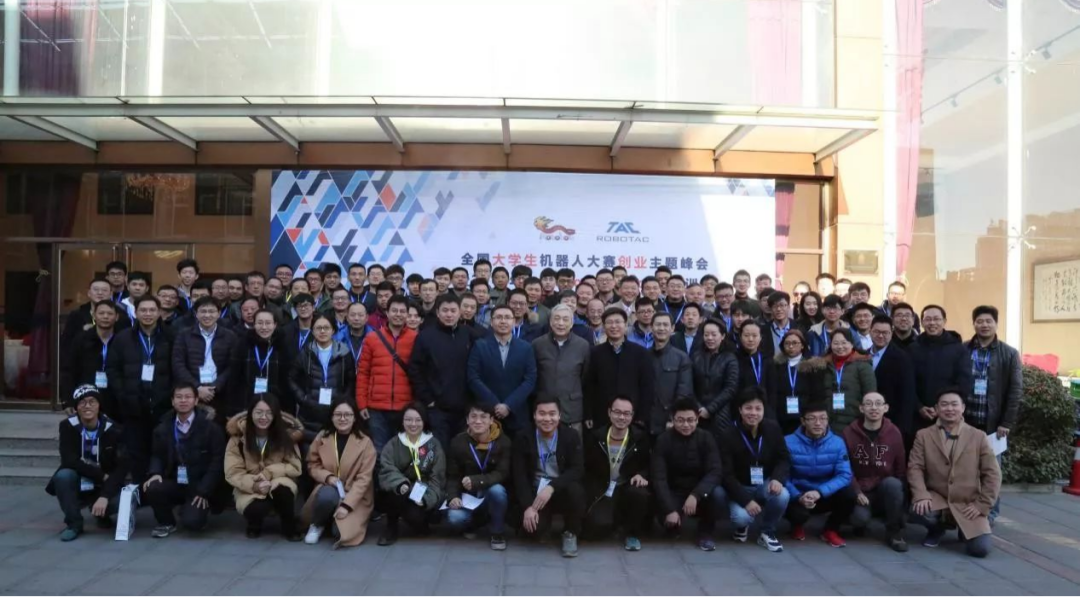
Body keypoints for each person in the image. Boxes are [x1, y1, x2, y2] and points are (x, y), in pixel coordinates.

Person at [908, 389, 1001, 557]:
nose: (949, 409)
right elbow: (915, 467)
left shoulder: (978, 436)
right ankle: (937, 529)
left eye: (954, 404)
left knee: (980, 550)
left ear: (963, 408)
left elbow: (993, 474)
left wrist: (982, 504)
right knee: (918, 509)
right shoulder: (924, 435)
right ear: (937, 408)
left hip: (968, 503)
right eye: (944, 405)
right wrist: (921, 494)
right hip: (938, 498)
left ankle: (966, 529)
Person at [142, 383, 226, 538]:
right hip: (176, 481)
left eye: (188, 397)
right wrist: (155, 472)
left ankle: (195, 511)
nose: (183, 401)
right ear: (172, 401)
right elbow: (157, 455)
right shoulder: (163, 427)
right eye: (179, 397)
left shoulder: (211, 428)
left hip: (199, 484)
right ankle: (166, 522)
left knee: (193, 522)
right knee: (153, 487)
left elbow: (217, 462)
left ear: (196, 400)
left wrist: (204, 491)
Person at [106, 295, 174, 484]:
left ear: (159, 313)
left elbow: (177, 367)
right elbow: (112, 369)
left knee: (162, 451)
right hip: (133, 405)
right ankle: (139, 491)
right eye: (143, 310)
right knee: (136, 453)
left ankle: (158, 490)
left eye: (152, 310)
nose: (148, 314)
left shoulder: (171, 336)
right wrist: (123, 394)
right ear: (135, 313)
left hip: (163, 406)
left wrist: (171, 395)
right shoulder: (123, 338)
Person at [47, 386, 127, 541]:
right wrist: (100, 475)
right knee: (63, 476)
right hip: (84, 478)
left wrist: (105, 496)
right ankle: (74, 524)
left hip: (106, 482)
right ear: (76, 407)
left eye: (92, 401)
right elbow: (69, 460)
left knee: (120, 500)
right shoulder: (67, 426)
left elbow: (121, 468)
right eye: (82, 402)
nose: (87, 406)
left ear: (99, 405)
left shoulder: (114, 429)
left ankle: (102, 514)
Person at [967, 305, 1021, 523]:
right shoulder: (964, 349)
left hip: (993, 424)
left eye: (988, 321)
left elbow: (1015, 390)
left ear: (996, 324)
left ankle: (990, 513)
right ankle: (966, 509)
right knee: (965, 469)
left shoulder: (1009, 353)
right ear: (974, 324)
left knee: (992, 470)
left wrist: (1006, 422)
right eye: (980, 321)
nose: (984, 325)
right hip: (966, 421)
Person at [512, 396, 587, 558]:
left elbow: (577, 469)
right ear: (534, 415)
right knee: (533, 531)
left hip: (560, 489)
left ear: (559, 416)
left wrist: (552, 486)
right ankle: (543, 525)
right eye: (542, 414)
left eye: (552, 414)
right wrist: (528, 507)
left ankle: (570, 532)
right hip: (536, 492)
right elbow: (520, 476)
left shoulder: (570, 435)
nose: (547, 419)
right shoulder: (523, 437)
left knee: (576, 490)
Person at [720, 387, 791, 552]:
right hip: (739, 486)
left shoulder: (773, 428)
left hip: (763, 483)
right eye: (748, 408)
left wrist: (777, 478)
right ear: (740, 410)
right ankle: (741, 527)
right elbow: (726, 474)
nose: (753, 413)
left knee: (782, 495)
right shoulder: (727, 434)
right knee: (741, 518)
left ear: (764, 410)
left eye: (758, 408)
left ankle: (767, 531)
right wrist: (746, 501)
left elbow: (784, 458)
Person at [224, 394, 303, 540]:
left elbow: (295, 467)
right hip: (249, 484)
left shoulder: (285, 436)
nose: (263, 417)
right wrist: (255, 485)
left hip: (278, 480)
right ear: (250, 413)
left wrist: (269, 473)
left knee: (283, 492)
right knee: (256, 508)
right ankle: (254, 524)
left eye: (269, 413)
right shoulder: (238, 439)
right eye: (259, 412)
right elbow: (232, 472)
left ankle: (289, 525)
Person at [651, 397, 725, 551]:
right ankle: (672, 526)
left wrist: (696, 494)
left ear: (697, 418)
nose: (686, 425)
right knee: (660, 501)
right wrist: (669, 509)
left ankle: (705, 532)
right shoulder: (663, 440)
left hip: (698, 491)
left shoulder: (706, 438)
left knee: (718, 494)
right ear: (672, 419)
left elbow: (715, 471)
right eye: (680, 420)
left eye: (690, 420)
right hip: (674, 490)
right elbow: (659, 477)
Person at [302, 400, 377, 548]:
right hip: (329, 486)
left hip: (355, 495)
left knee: (339, 533)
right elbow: (312, 464)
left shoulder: (365, 442)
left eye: (347, 415)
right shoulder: (322, 436)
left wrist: (346, 506)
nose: (343, 419)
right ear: (332, 417)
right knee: (327, 497)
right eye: (338, 415)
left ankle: (335, 518)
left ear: (354, 418)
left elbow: (364, 480)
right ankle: (317, 524)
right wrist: (327, 477)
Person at [583, 396, 651, 551]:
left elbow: (649, 464)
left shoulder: (639, 438)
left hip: (627, 485)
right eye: (617, 412)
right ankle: (615, 522)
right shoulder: (597, 437)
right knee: (595, 530)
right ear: (609, 412)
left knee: (639, 494)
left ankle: (632, 534)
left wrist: (642, 474)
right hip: (603, 487)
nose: (622, 417)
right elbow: (587, 468)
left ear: (632, 416)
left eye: (626, 413)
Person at [843, 392, 908, 551]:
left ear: (886, 408)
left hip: (884, 487)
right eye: (869, 403)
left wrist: (901, 503)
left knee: (894, 484)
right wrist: (856, 491)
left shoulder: (894, 433)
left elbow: (900, 468)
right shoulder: (848, 433)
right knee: (858, 519)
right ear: (861, 408)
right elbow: (844, 468)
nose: (874, 408)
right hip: (861, 491)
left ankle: (894, 532)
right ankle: (861, 524)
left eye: (878, 403)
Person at [784, 403, 855, 547]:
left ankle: (830, 530)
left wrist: (820, 492)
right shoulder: (787, 442)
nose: (818, 423)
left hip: (824, 494)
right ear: (803, 421)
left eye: (823, 418)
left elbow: (844, 475)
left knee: (848, 494)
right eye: (812, 418)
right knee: (784, 498)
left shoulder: (837, 443)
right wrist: (798, 495)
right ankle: (796, 525)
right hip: (798, 494)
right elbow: (782, 474)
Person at [408, 294, 474, 450]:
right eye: (445, 310)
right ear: (437, 312)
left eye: (453, 310)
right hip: (437, 408)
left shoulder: (469, 334)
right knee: (439, 450)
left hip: (464, 408)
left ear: (460, 312)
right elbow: (415, 369)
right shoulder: (425, 336)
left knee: (462, 451)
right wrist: (428, 399)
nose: (449, 315)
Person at [376, 402, 446, 546]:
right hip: (400, 490)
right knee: (391, 494)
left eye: (418, 420)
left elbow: (437, 477)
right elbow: (386, 468)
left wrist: (427, 499)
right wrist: (400, 483)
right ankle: (391, 528)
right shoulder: (394, 443)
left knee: (417, 516)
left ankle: (421, 524)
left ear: (424, 421)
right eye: (408, 419)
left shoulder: (433, 444)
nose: (413, 424)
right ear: (402, 421)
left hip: (423, 492)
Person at [444, 403, 512, 550]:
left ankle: (497, 532)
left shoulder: (503, 441)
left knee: (497, 490)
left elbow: (502, 473)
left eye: (483, 417)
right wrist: (453, 496)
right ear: (467, 420)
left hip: (490, 492)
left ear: (491, 420)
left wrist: (477, 481)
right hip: (468, 496)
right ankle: (475, 524)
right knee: (454, 518)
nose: (478, 421)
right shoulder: (458, 442)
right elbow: (452, 475)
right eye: (473, 417)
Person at [356, 294, 418, 453]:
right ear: (387, 313)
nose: (398, 314)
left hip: (405, 406)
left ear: (407, 314)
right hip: (376, 407)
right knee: (379, 450)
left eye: (402, 311)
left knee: (403, 451)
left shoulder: (416, 339)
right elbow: (363, 373)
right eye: (394, 310)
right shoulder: (372, 338)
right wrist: (362, 403)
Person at [467, 305, 538, 433]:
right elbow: (473, 377)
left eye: (507, 318)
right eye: (499, 317)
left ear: (514, 322)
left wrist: (509, 405)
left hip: (517, 414)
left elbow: (530, 380)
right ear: (491, 322)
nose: (503, 321)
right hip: (488, 413)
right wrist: (494, 404)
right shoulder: (480, 346)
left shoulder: (526, 348)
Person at [584, 308, 656, 429]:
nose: (614, 326)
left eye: (618, 322)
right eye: (609, 322)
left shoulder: (640, 353)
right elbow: (589, 386)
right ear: (604, 326)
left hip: (632, 417)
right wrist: (588, 414)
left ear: (626, 325)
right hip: (602, 415)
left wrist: (642, 417)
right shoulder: (595, 353)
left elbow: (647, 387)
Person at [288, 314, 356, 438]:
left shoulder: (344, 353)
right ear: (312, 331)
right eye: (318, 328)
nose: (322, 331)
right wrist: (303, 399)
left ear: (333, 330)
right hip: (310, 412)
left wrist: (343, 400)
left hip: (336, 410)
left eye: (326, 327)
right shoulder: (306, 352)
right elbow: (292, 378)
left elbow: (351, 380)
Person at [909, 305, 973, 433]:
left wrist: (942, 407)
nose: (932, 323)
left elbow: (964, 382)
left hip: (949, 415)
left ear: (944, 321)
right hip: (918, 415)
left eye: (936, 319)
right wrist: (919, 406)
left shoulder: (958, 349)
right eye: (928, 319)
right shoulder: (912, 348)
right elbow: (907, 382)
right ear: (922, 322)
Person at [171, 296, 239, 418]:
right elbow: (178, 363)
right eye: (203, 311)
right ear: (196, 314)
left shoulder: (230, 336)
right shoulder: (184, 335)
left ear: (219, 314)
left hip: (221, 393)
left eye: (211, 311)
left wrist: (216, 386)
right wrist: (196, 387)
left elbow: (232, 366)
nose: (207, 315)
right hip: (191, 392)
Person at [532, 304, 591, 434]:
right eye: (557, 318)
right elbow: (534, 376)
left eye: (565, 319)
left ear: (572, 323)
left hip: (572, 409)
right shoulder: (538, 344)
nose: (560, 323)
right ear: (550, 322)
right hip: (545, 408)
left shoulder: (583, 345)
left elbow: (585, 377)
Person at [806, 327, 877, 433]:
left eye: (844, 343)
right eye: (836, 343)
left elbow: (870, 394)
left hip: (855, 422)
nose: (840, 347)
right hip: (828, 422)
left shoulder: (863, 365)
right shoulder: (823, 365)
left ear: (852, 344)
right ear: (831, 345)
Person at [61, 300, 120, 419]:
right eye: (101, 313)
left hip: (116, 399)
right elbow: (69, 371)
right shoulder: (81, 339)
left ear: (117, 317)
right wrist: (68, 400)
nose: (105, 317)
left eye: (110, 313)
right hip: (86, 397)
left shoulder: (123, 340)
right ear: (94, 315)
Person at [868, 315, 918, 448]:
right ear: (870, 331)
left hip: (891, 420)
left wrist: (902, 429)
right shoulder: (862, 355)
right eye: (877, 332)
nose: (881, 336)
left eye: (885, 333)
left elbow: (907, 395)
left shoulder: (902, 358)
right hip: (866, 418)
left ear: (891, 333)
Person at [649, 312, 694, 437]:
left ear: (672, 328)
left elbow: (684, 392)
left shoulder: (681, 358)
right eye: (658, 325)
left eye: (665, 325)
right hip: (647, 421)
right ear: (651, 327)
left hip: (669, 423)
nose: (661, 328)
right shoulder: (644, 356)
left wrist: (673, 418)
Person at [692, 318, 740, 433]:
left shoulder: (730, 358)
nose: (710, 338)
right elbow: (689, 384)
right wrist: (698, 407)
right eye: (706, 335)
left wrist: (710, 409)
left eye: (714, 335)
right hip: (697, 413)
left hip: (721, 413)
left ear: (722, 336)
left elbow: (730, 388)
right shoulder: (696, 356)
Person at [772, 329, 824, 435]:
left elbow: (816, 394)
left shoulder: (811, 366)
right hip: (782, 416)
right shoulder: (776, 366)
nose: (791, 346)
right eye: (787, 343)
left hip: (804, 416)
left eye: (795, 343)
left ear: (802, 345)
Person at [61, 277, 131, 348]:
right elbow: (67, 342)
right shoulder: (76, 315)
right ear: (89, 293)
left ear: (111, 294)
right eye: (96, 290)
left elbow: (127, 340)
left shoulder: (120, 314)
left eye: (104, 290)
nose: (100, 293)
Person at [735, 322, 775, 402]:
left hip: (763, 406)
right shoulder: (733, 359)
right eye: (746, 335)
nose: (750, 339)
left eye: (754, 336)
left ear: (760, 337)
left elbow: (772, 391)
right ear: (740, 337)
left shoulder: (767, 360)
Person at [763, 291, 793, 358]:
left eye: (782, 305)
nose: (778, 309)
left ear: (788, 307)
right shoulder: (763, 330)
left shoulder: (799, 327)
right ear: (770, 309)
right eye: (775, 306)